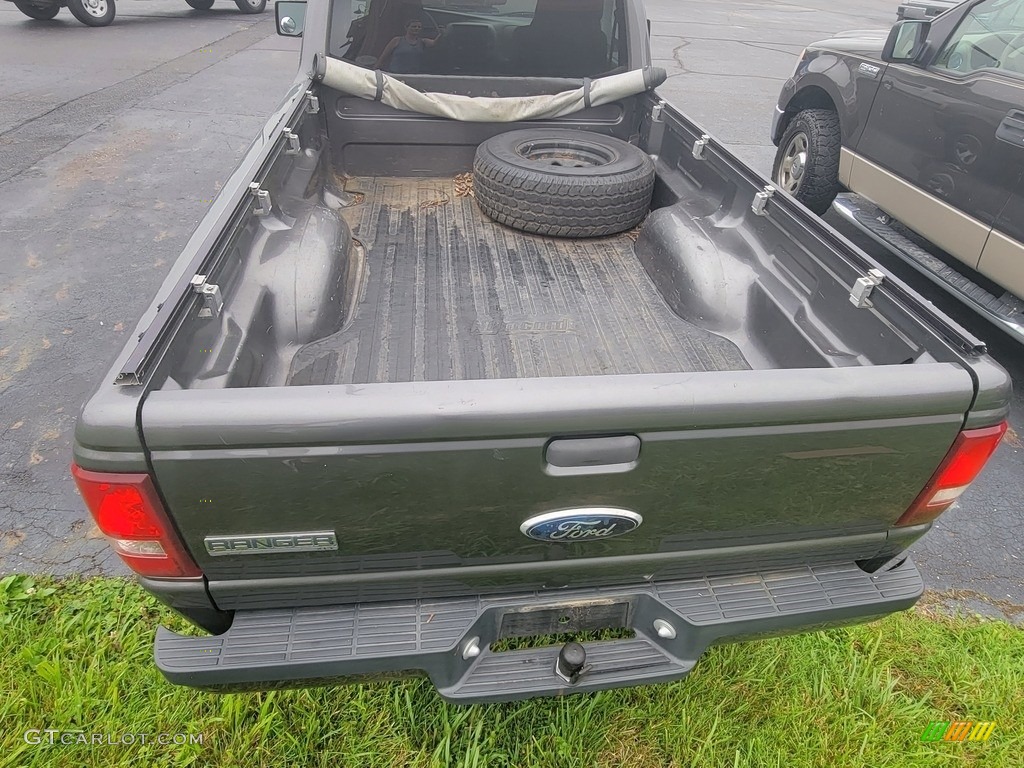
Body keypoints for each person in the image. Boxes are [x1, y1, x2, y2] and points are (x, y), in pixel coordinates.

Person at [376, 18, 443, 73]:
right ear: (406, 27)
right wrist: (375, 69)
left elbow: (434, 43)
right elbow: (383, 56)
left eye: (419, 27)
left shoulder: (422, 41)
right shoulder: (397, 40)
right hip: (395, 75)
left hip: (413, 76)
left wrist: (441, 33)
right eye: (414, 26)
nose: (416, 28)